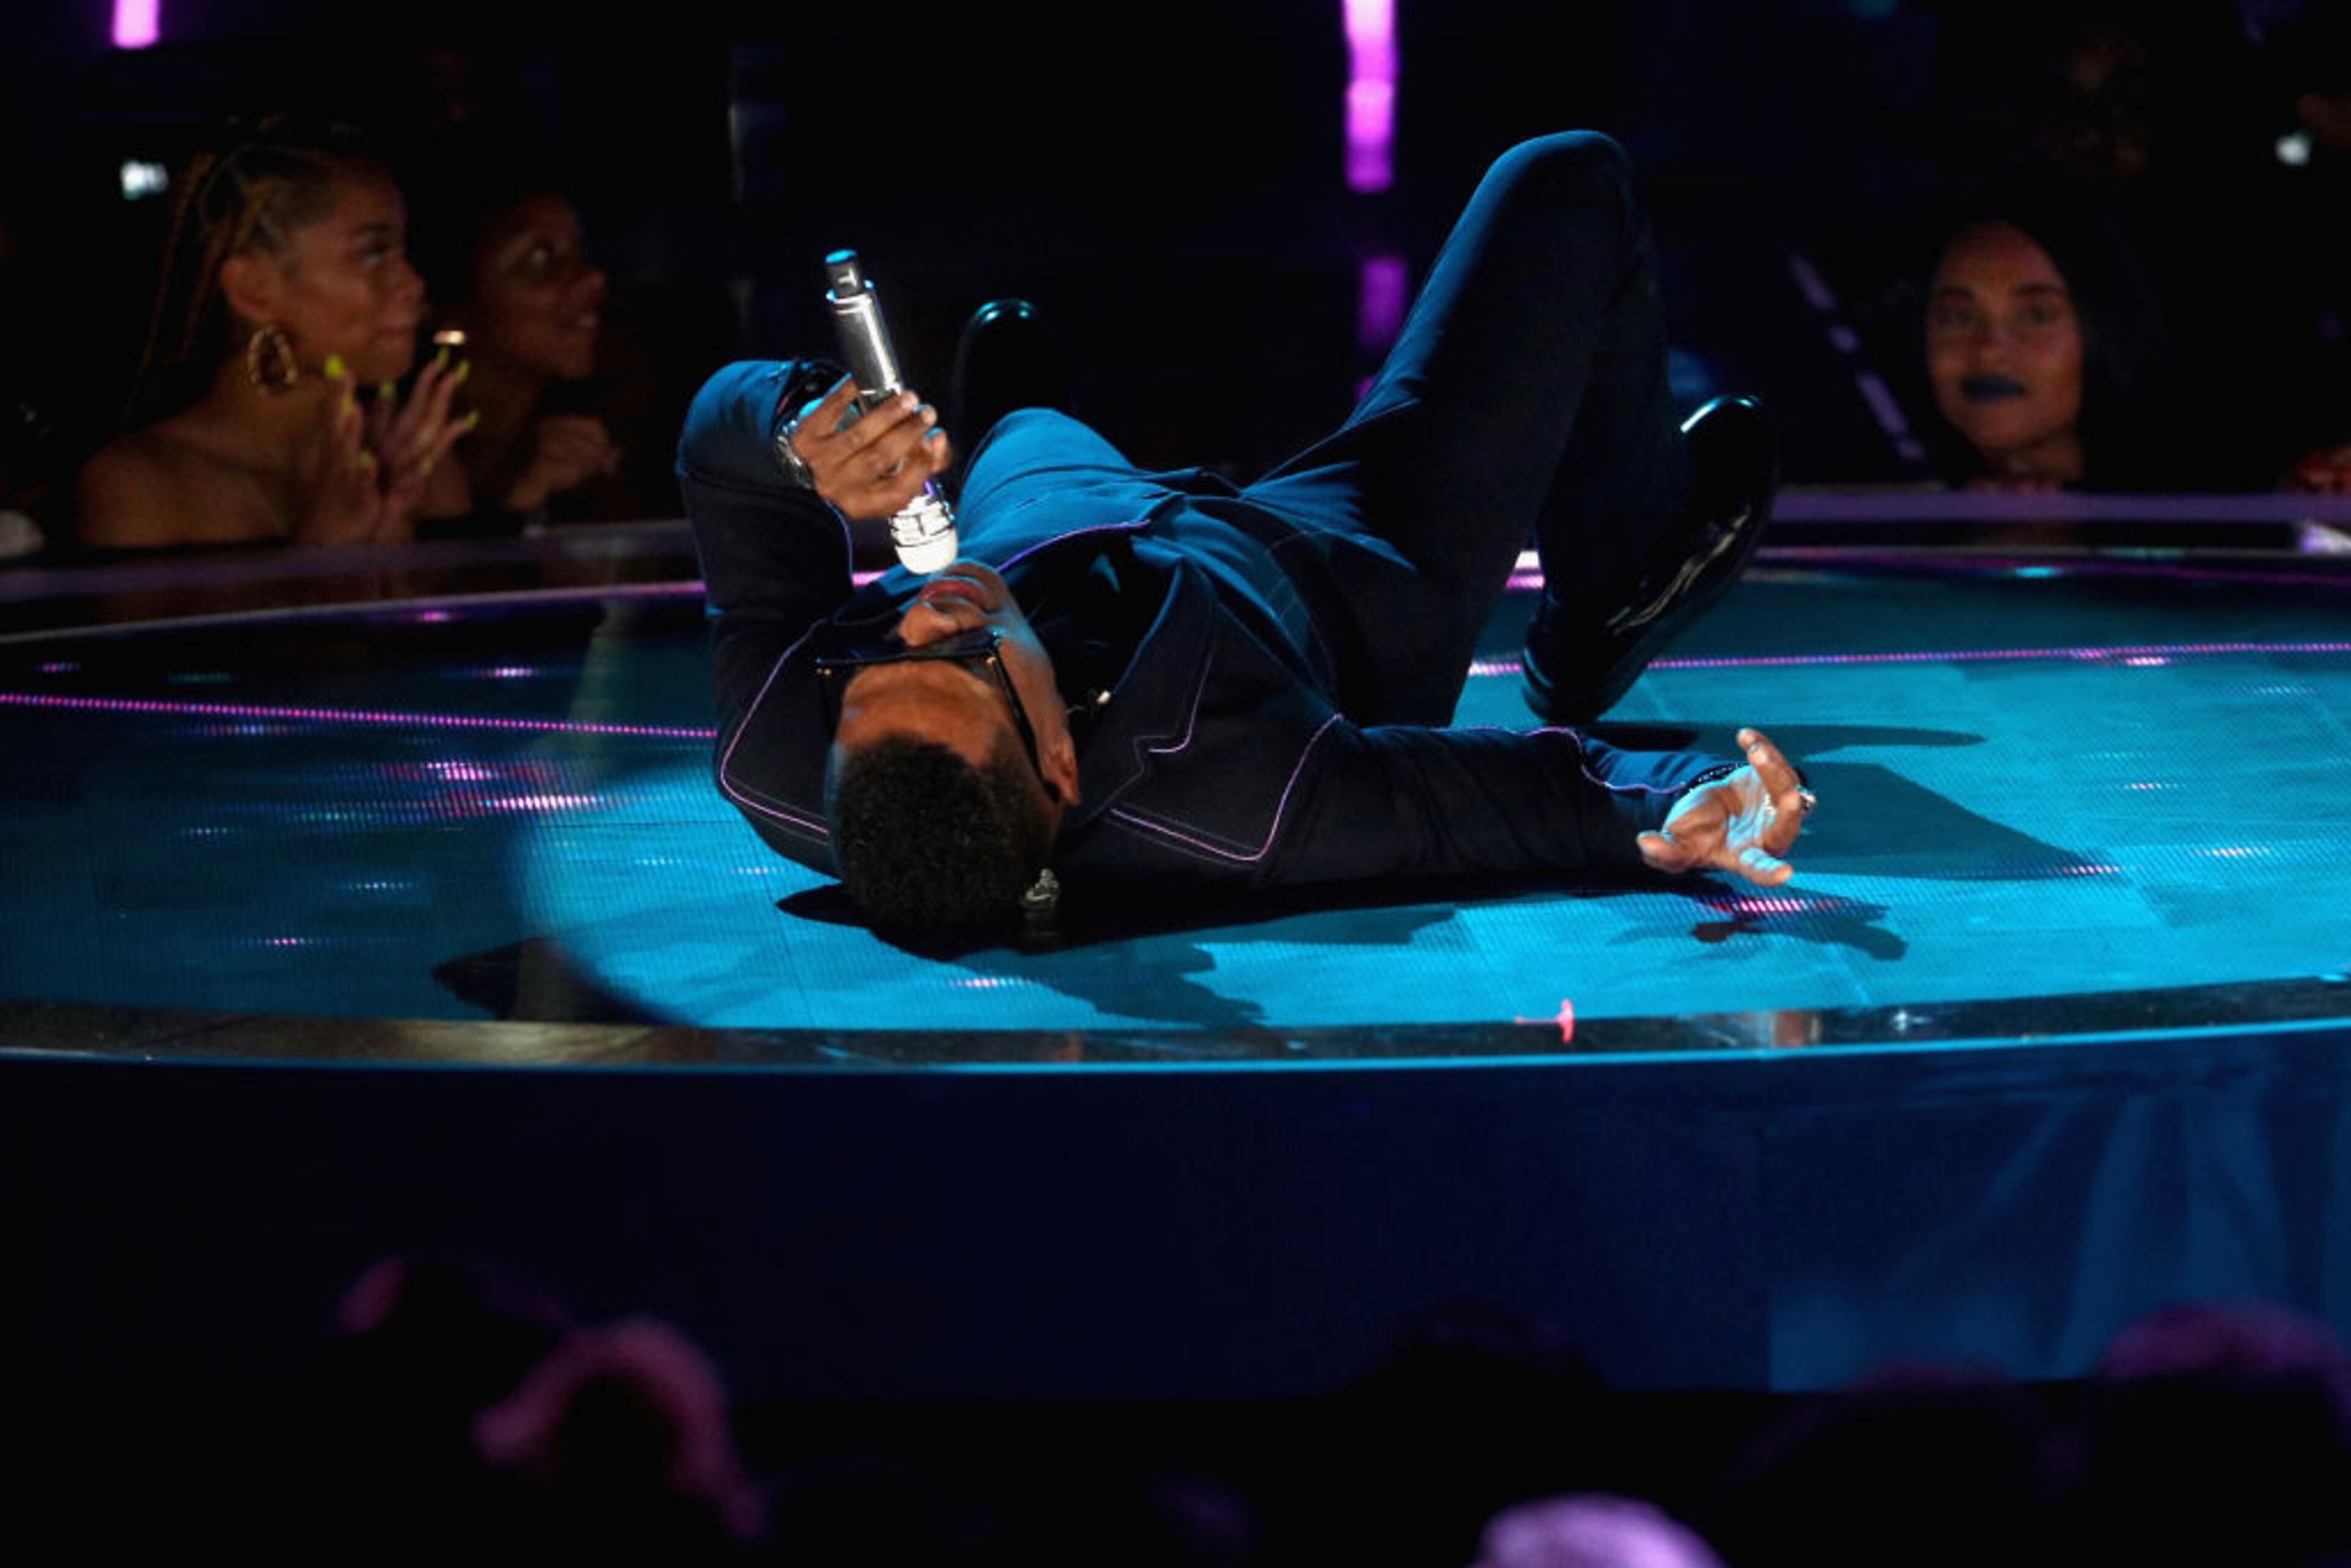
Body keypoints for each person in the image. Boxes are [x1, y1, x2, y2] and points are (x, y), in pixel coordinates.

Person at [677, 131, 1809, 941]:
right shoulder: (1252, 803)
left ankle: (1009, 415)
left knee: (1014, 395)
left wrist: (798, 427)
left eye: (880, 662)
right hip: (1340, 563)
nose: (928, 610)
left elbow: (712, 460)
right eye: (965, 662)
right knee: (1567, 182)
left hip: (1047, 495)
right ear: (1063, 764)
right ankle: (1613, 596)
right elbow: (1531, 798)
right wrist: (1685, 800)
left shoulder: (777, 737)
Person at [73, 113, 468, 552]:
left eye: (403, 251)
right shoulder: (141, 487)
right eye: (373, 254)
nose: (413, 284)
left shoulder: (417, 469)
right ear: (254, 290)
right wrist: (322, 570)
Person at [410, 160, 626, 534]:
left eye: (579, 252)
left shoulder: (597, 429)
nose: (592, 278)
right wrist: (522, 504)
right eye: (540, 260)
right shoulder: (409, 460)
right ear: (454, 310)